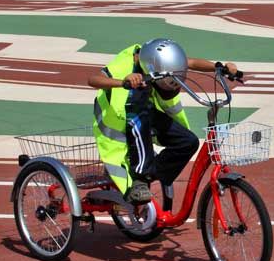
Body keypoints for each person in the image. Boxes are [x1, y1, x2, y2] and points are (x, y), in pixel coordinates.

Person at [88, 38, 238, 204]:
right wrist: (123, 82)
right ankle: (139, 181)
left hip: (144, 110)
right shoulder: (124, 64)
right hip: (118, 118)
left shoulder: (160, 61)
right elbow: (93, 79)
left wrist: (220, 67)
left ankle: (151, 175)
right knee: (139, 120)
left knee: (188, 142)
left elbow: (192, 62)